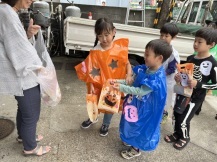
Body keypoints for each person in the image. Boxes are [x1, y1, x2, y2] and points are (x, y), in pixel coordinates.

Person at [0, 0, 51, 156]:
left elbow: (16, 41)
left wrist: (28, 34)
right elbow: (18, 48)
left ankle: (24, 137)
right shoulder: (7, 13)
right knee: (31, 112)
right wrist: (40, 67)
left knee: (23, 109)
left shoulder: (7, 10)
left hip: (20, 73)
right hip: (23, 74)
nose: (32, 0)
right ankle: (30, 147)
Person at [111, 39, 172, 159]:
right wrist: (117, 82)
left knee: (140, 128)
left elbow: (140, 91)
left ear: (159, 58)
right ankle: (130, 139)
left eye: (147, 55)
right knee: (131, 123)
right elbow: (131, 81)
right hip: (136, 105)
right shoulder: (145, 68)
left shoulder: (156, 78)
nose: (144, 57)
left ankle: (136, 149)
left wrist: (121, 87)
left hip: (146, 111)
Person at [75, 18, 133, 137]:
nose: (104, 39)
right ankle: (93, 118)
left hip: (113, 84)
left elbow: (127, 63)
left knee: (109, 104)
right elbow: (90, 69)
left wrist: (129, 73)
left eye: (107, 35)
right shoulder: (96, 50)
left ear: (114, 32)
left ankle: (106, 123)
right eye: (100, 36)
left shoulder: (119, 48)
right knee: (94, 101)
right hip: (98, 83)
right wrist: (90, 84)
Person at [164, 27, 217, 150]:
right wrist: (179, 78)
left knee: (184, 119)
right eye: (195, 41)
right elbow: (184, 77)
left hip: (196, 98)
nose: (195, 44)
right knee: (176, 115)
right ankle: (177, 133)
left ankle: (185, 137)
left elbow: (216, 84)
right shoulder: (190, 58)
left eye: (200, 42)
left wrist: (198, 84)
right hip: (182, 93)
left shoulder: (213, 63)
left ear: (211, 44)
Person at [160, 22, 180, 123]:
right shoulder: (158, 47)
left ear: (173, 37)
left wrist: (160, 74)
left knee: (165, 98)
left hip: (167, 81)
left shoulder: (173, 53)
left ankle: (164, 114)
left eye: (166, 36)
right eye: (161, 35)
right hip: (158, 78)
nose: (163, 38)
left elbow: (172, 69)